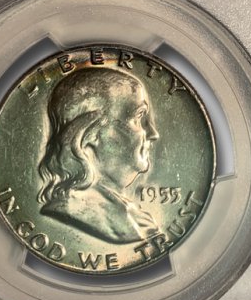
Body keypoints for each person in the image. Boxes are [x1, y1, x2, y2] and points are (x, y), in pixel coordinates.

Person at [38, 67, 160, 243]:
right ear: (89, 134)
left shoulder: (134, 215)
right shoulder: (80, 211)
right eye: (139, 116)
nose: (153, 133)